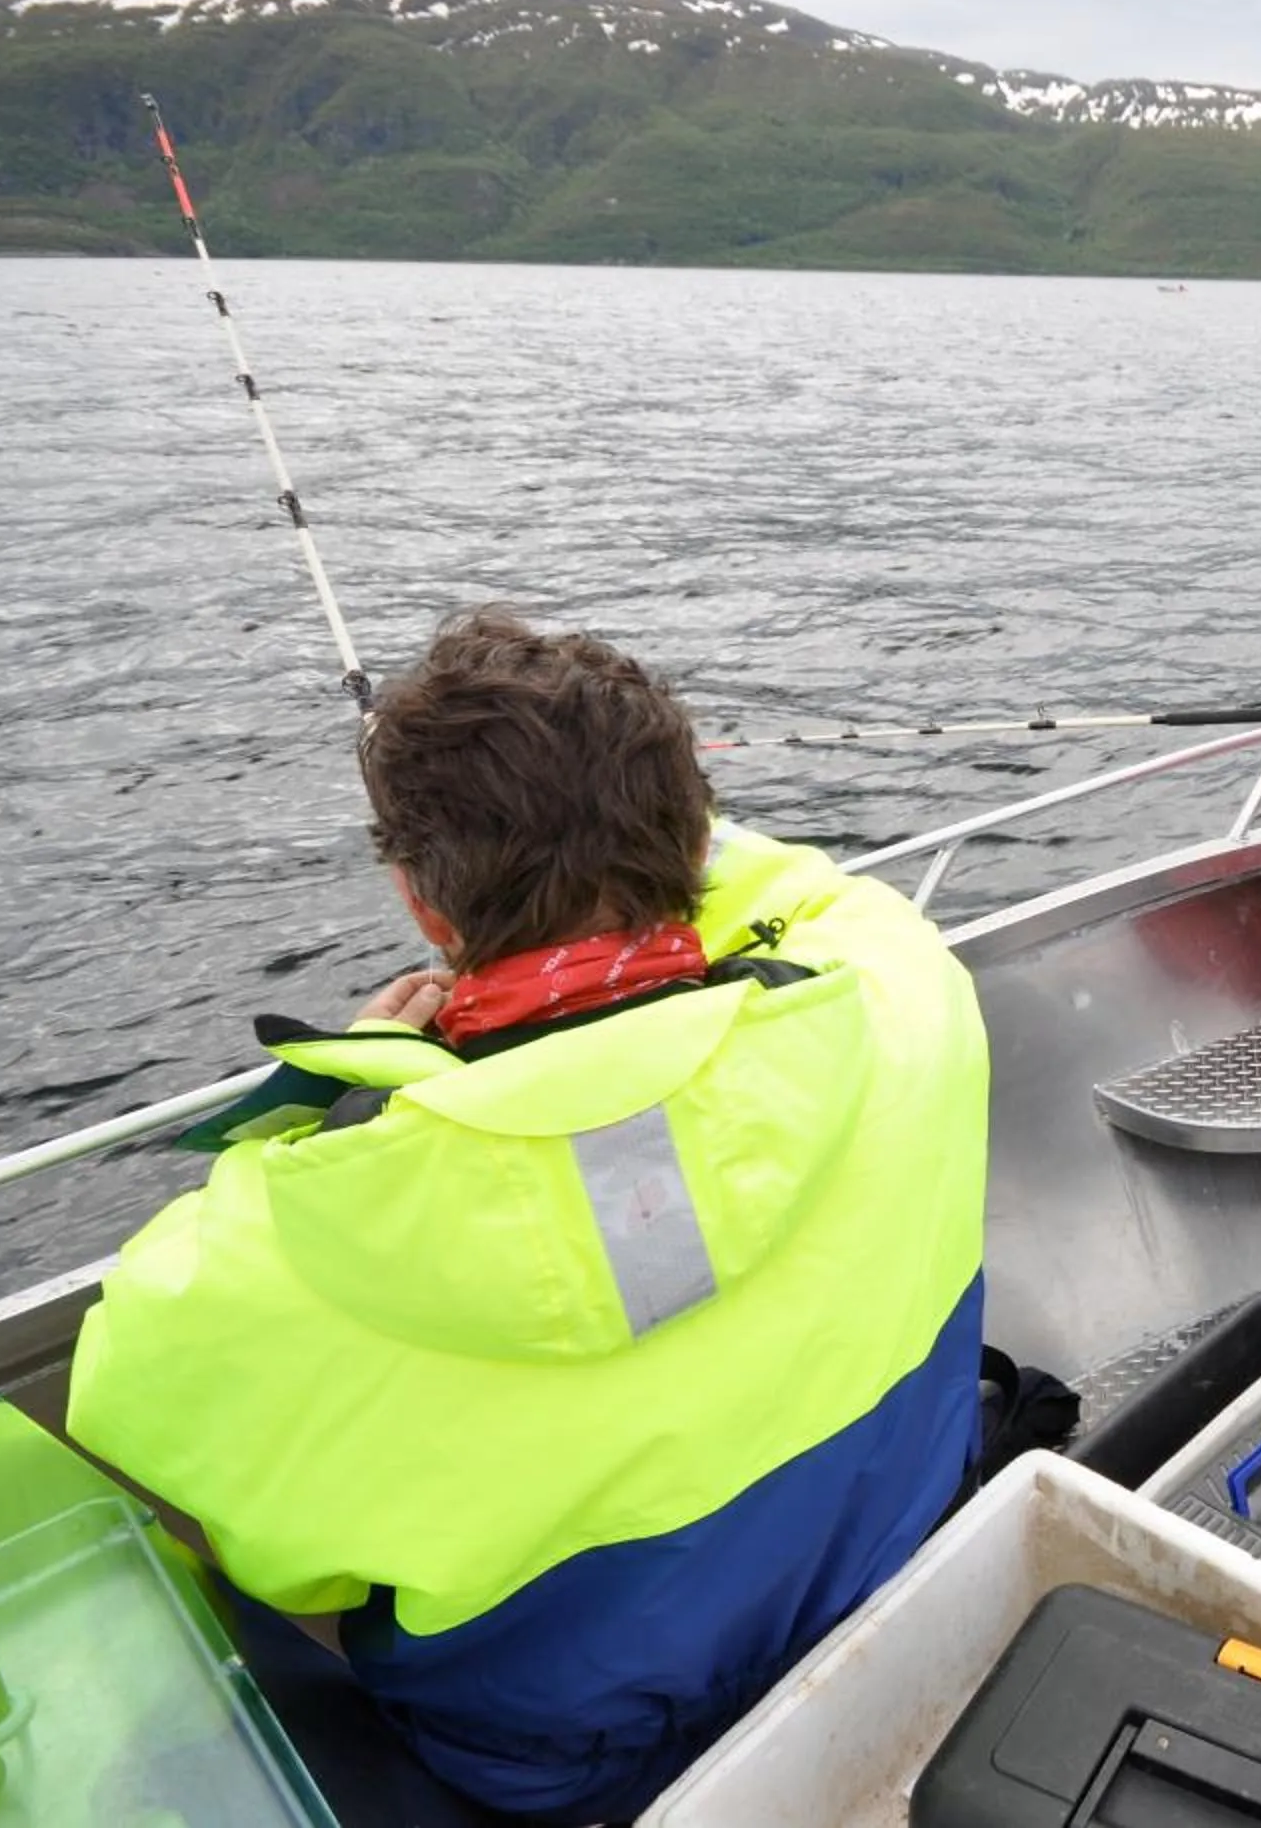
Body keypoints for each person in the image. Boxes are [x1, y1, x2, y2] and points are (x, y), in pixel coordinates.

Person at [66, 610, 991, 1824]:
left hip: (567, 1769)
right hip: (894, 1586)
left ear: (421, 904)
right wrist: (630, 825)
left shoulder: (275, 1256)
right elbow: (806, 889)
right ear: (694, 835)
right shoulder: (905, 992)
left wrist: (347, 1097)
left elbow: (119, 1397)